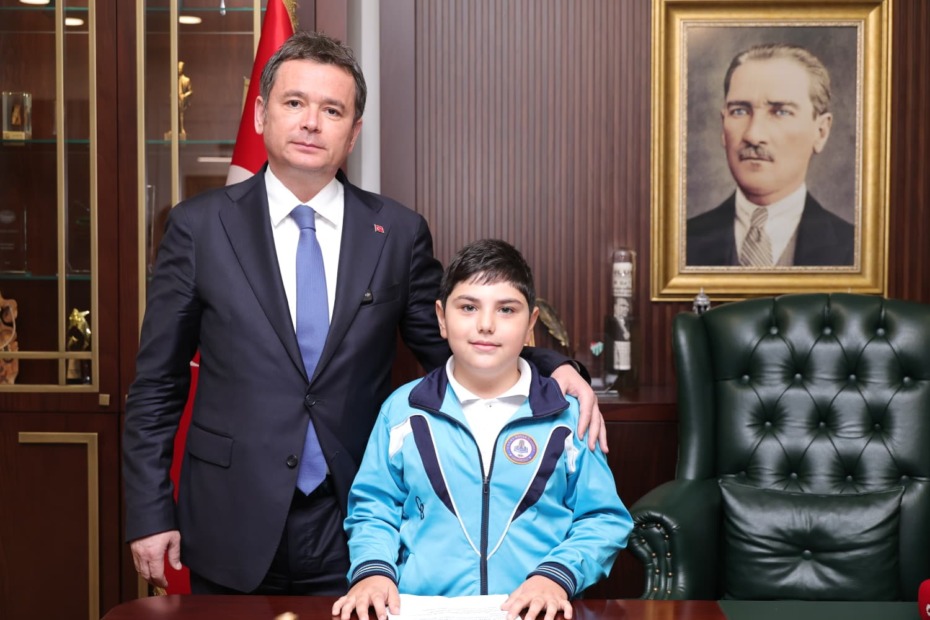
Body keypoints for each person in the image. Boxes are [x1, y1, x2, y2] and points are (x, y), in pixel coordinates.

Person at [123, 31, 605, 597]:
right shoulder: (199, 227)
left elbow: (449, 340)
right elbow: (157, 383)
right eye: (294, 103)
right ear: (260, 115)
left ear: (353, 132)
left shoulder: (396, 232)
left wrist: (549, 365)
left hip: (357, 517)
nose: (311, 123)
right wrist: (150, 512)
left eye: (332, 110)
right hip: (230, 513)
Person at [332, 239, 632, 620]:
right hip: (423, 611)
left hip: (532, 613)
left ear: (531, 325)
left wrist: (556, 577)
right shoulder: (402, 411)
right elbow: (374, 508)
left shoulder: (568, 416)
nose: (486, 325)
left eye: (506, 309)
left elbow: (603, 518)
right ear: (441, 318)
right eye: (468, 307)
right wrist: (373, 571)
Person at [686, 43, 854, 267]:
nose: (753, 135)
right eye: (739, 111)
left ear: (821, 131)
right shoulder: (679, 243)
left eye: (781, 112)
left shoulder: (858, 250)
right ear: (723, 127)